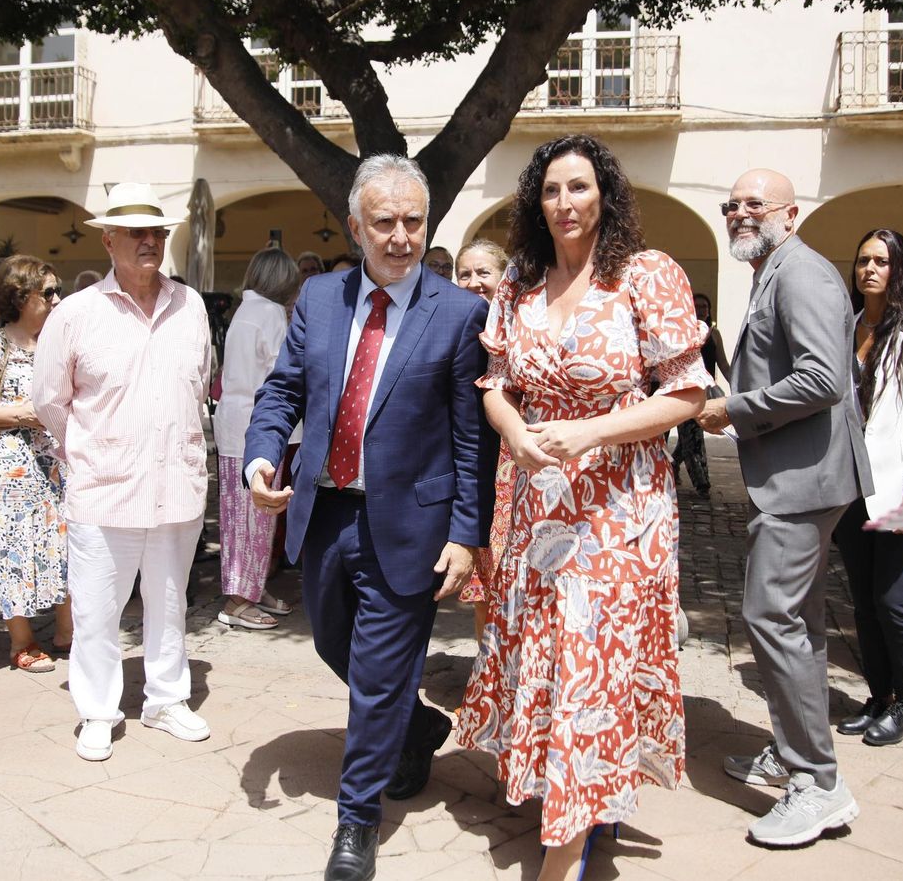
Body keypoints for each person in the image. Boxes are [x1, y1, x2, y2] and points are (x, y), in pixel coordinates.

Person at [456, 136, 709, 880]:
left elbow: (687, 393)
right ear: (537, 202)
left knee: (591, 662)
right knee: (553, 654)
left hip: (621, 510)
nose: (566, 204)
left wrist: (590, 431)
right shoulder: (520, 285)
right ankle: (578, 793)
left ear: (606, 195)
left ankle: (561, 848)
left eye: (580, 187)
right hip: (539, 505)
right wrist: (514, 432)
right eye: (552, 190)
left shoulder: (645, 275)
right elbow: (495, 383)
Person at [244, 154, 495, 881]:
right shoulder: (319, 300)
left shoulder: (458, 313)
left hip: (411, 524)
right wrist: (263, 456)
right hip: (324, 517)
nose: (401, 237)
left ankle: (357, 821)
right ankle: (415, 724)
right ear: (355, 227)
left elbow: (471, 440)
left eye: (414, 222)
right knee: (333, 645)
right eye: (384, 222)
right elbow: (282, 392)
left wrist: (466, 534)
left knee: (381, 673)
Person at [697, 168, 870, 846]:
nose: (740, 213)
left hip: (804, 482)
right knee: (799, 623)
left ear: (789, 214)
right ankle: (795, 750)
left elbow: (824, 379)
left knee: (769, 615)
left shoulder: (801, 273)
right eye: (731, 204)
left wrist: (732, 408)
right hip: (800, 478)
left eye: (754, 204)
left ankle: (818, 783)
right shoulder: (775, 269)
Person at [33, 182, 214, 762]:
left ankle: (166, 699)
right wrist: (91, 451)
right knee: (95, 609)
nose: (148, 242)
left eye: (157, 232)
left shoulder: (192, 306)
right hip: (104, 488)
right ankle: (97, 710)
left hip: (176, 486)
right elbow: (48, 401)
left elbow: (200, 382)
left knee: (169, 601)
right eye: (135, 232)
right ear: (107, 240)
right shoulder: (75, 313)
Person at [831, 229, 903, 747]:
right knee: (862, 600)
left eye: (881, 261)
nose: (869, 269)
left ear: (898, 271)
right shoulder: (847, 327)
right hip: (853, 486)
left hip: (901, 488)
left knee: (893, 599)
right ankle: (878, 696)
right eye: (862, 260)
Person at [0, 256, 70, 671]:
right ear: (21, 297)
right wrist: (17, 415)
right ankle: (21, 641)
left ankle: (67, 630)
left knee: (65, 546)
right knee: (13, 550)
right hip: (14, 467)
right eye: (48, 293)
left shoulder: (56, 343)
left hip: (60, 464)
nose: (57, 300)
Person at [213, 246, 300, 629]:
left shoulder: (245, 311)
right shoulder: (269, 313)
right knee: (254, 516)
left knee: (243, 515)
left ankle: (250, 588)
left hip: (237, 423)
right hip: (258, 427)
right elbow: (285, 373)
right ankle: (237, 599)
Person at [451, 238, 513, 642]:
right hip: (474, 470)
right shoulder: (451, 327)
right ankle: (486, 682)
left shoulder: (523, 325)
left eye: (483, 272)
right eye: (464, 274)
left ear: (504, 277)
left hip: (515, 464)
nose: (473, 281)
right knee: (484, 586)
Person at [673, 290, 728, 496]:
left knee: (690, 435)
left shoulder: (714, 334)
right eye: (697, 307)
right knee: (692, 436)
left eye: (704, 307)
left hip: (707, 391)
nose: (701, 310)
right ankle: (701, 482)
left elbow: (722, 362)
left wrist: (736, 383)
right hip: (686, 390)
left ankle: (673, 463)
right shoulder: (682, 332)